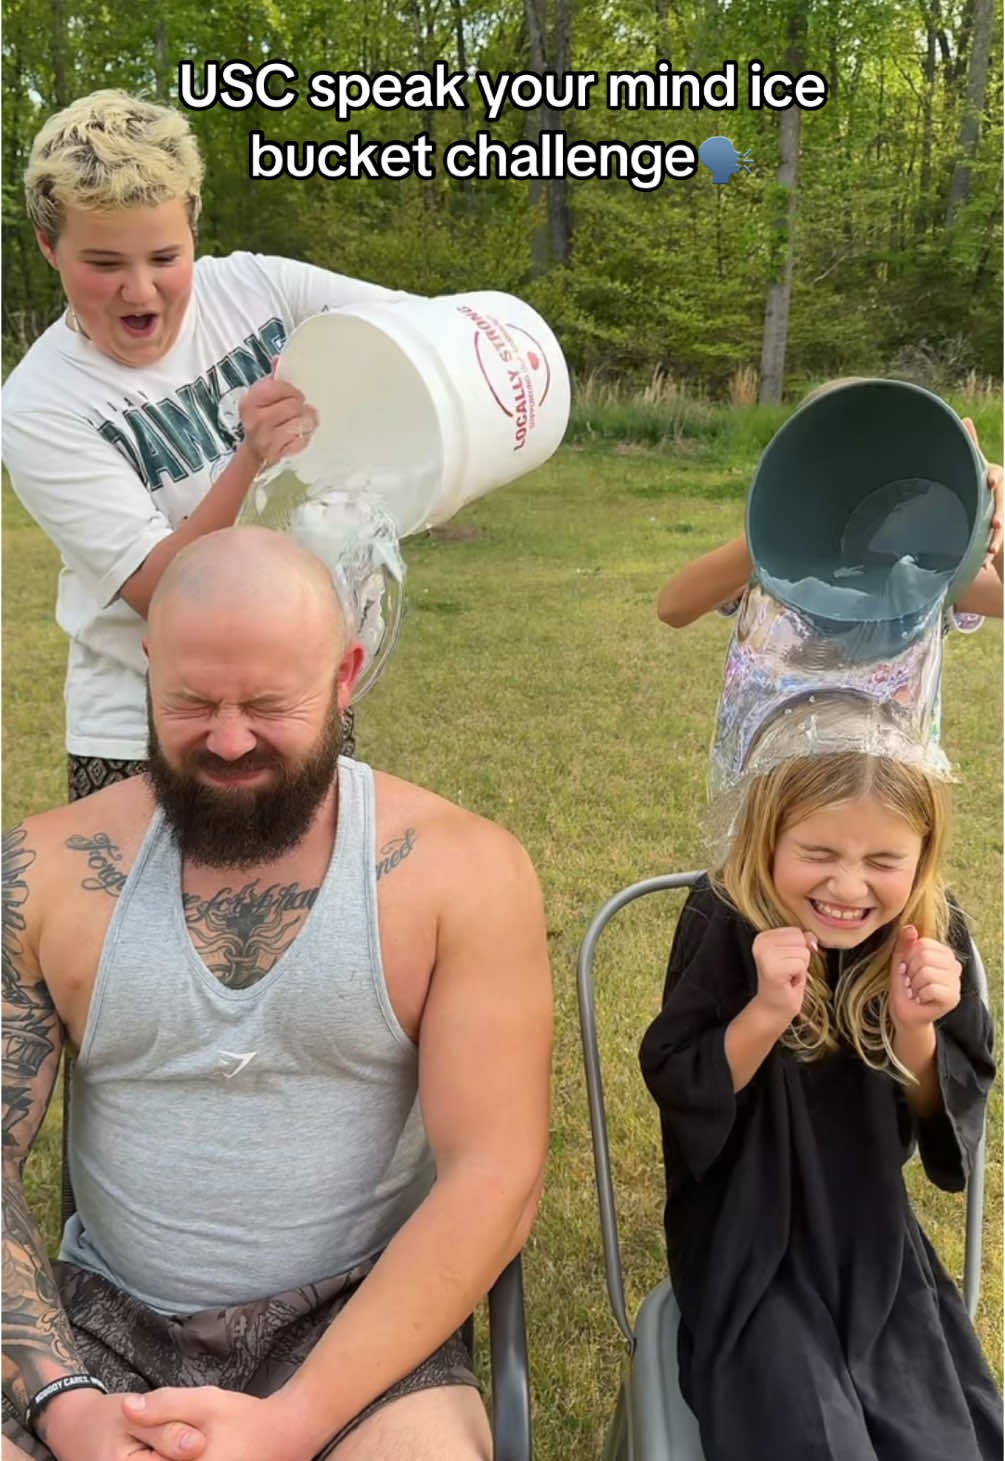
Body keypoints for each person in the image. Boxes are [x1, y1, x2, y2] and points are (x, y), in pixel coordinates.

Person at [1, 526, 553, 1461]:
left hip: (357, 1326)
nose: (226, 738)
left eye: (267, 703)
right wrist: (66, 1404)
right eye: (190, 701)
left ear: (345, 674)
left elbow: (495, 1177)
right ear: (148, 663)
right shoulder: (44, 871)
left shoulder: (461, 872)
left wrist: (293, 1422)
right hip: (94, 1324)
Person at [3, 89, 405, 796]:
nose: (140, 292)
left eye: (165, 256)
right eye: (103, 263)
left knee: (315, 907)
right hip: (149, 732)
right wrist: (250, 456)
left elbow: (417, 333)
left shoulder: (256, 285)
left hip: (298, 698)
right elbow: (161, 589)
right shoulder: (39, 405)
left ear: (193, 226)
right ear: (48, 246)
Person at [639, 750, 1001, 1460]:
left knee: (931, 1428)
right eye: (817, 852)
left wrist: (915, 1029)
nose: (846, 884)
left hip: (869, 1233)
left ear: (923, 854)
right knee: (800, 1420)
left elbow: (945, 1120)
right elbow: (682, 1086)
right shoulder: (725, 916)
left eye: (881, 859)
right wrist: (766, 1010)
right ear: (768, 832)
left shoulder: (929, 937)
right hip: (744, 1235)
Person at [655, 417, 1004, 627]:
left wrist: (993, 509)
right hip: (783, 747)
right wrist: (774, 532)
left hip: (889, 752)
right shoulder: (777, 570)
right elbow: (673, 607)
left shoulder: (923, 578)